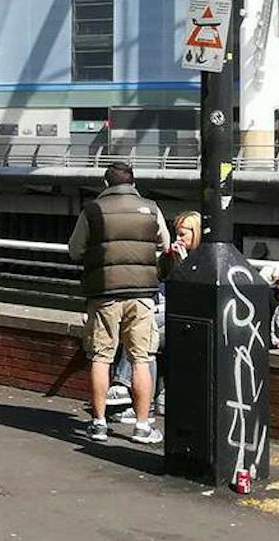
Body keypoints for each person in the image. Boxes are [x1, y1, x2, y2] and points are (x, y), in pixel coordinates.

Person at [67, 162, 169, 445]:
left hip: (104, 292)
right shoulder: (151, 207)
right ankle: (141, 426)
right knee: (141, 358)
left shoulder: (92, 210)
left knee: (101, 357)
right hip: (142, 293)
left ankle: (98, 424)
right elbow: (165, 243)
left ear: (105, 183)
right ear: (133, 183)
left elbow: (75, 250)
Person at [111, 209, 200, 424]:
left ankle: (123, 386)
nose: (177, 239)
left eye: (182, 234)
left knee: (142, 328)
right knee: (145, 337)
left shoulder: (200, 259)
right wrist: (168, 260)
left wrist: (184, 262)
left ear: (196, 233)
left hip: (183, 318)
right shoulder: (171, 257)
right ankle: (146, 406)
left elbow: (191, 295)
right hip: (161, 314)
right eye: (176, 233)